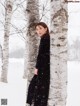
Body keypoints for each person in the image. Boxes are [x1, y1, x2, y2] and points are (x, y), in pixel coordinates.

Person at [26, 22, 50, 106]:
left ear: (46, 28)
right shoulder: (44, 38)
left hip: (44, 70)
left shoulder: (46, 39)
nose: (38, 31)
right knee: (34, 88)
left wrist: (37, 67)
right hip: (42, 69)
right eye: (37, 29)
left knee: (38, 90)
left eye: (40, 28)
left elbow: (43, 56)